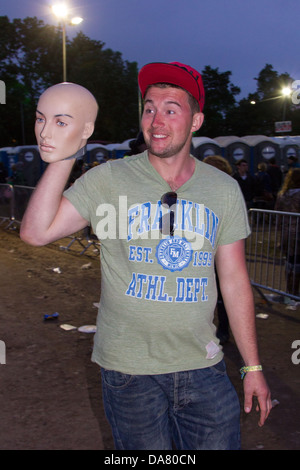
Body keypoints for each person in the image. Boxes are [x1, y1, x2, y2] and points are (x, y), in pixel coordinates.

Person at [21, 63, 271, 450]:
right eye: (149, 108)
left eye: (171, 109)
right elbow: (36, 233)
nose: (156, 120)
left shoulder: (222, 189)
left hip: (202, 367)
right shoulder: (108, 178)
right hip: (128, 371)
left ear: (196, 120)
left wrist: (252, 367)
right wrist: (65, 156)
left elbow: (235, 281)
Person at [203, 155, 232, 344]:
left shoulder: (228, 193)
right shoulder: (196, 191)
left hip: (222, 251)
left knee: (223, 293)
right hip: (202, 251)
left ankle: (223, 329)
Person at [275, 168, 300, 297]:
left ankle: (290, 289)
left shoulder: (282, 194)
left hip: (286, 232)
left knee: (290, 260)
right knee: (297, 262)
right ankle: (295, 290)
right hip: (298, 232)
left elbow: (277, 215)